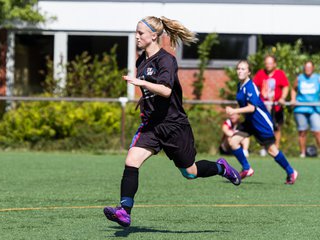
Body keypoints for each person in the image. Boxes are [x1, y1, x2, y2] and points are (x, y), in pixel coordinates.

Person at [103, 16, 241, 228]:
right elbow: (152, 87)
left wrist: (139, 83)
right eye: (136, 32)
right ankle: (124, 211)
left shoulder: (166, 60)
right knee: (131, 160)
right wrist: (144, 98)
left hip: (174, 125)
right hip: (151, 125)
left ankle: (221, 167)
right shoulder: (141, 60)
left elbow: (166, 91)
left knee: (190, 172)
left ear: (154, 36)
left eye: (140, 33)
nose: (137, 36)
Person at [225, 60, 298, 184]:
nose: (240, 71)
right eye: (239, 68)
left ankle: (291, 171)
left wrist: (235, 110)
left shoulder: (250, 86)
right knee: (233, 141)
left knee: (272, 150)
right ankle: (247, 168)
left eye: (243, 69)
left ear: (249, 72)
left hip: (261, 122)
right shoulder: (240, 85)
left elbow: (252, 107)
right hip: (250, 121)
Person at [253, 55, 289, 152]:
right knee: (264, 127)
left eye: (270, 63)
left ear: (274, 64)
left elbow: (285, 86)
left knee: (276, 127)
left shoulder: (280, 74)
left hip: (276, 106)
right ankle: (265, 147)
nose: (268, 65)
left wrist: (282, 98)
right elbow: (253, 87)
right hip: (263, 106)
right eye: (267, 63)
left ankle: (276, 148)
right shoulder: (260, 74)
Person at [290, 60, 320, 158]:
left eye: (309, 67)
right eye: (306, 67)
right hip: (301, 108)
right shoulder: (300, 78)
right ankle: (302, 153)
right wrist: (293, 99)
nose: (308, 69)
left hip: (314, 108)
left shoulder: (317, 78)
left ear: (313, 68)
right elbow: (294, 89)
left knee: (317, 131)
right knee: (302, 131)